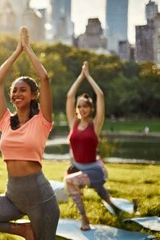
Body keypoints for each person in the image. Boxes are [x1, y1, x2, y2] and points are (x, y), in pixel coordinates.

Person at [0, 27, 59, 240]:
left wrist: (27, 49)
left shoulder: (42, 121)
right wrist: (16, 50)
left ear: (34, 95)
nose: (17, 93)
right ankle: (22, 230)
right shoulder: (5, 122)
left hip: (40, 197)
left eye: (23, 90)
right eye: (15, 90)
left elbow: (45, 78)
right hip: (13, 196)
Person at [64, 61, 120, 231]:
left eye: (86, 106)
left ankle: (84, 220)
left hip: (94, 169)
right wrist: (80, 76)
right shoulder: (73, 123)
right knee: (99, 190)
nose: (82, 109)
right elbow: (69, 96)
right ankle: (113, 206)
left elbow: (100, 95)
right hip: (78, 167)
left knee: (70, 182)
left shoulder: (95, 125)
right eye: (79, 106)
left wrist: (88, 76)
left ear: (91, 108)